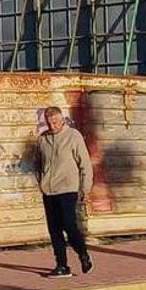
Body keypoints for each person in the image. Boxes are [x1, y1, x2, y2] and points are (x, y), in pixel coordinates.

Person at [35, 106, 94, 278]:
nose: (52, 126)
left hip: (68, 188)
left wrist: (86, 188)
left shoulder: (73, 136)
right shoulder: (43, 139)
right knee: (54, 229)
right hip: (49, 190)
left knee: (69, 225)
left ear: (62, 120)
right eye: (49, 123)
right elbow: (37, 164)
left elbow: (85, 164)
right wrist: (40, 181)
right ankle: (62, 265)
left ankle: (83, 253)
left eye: (55, 122)